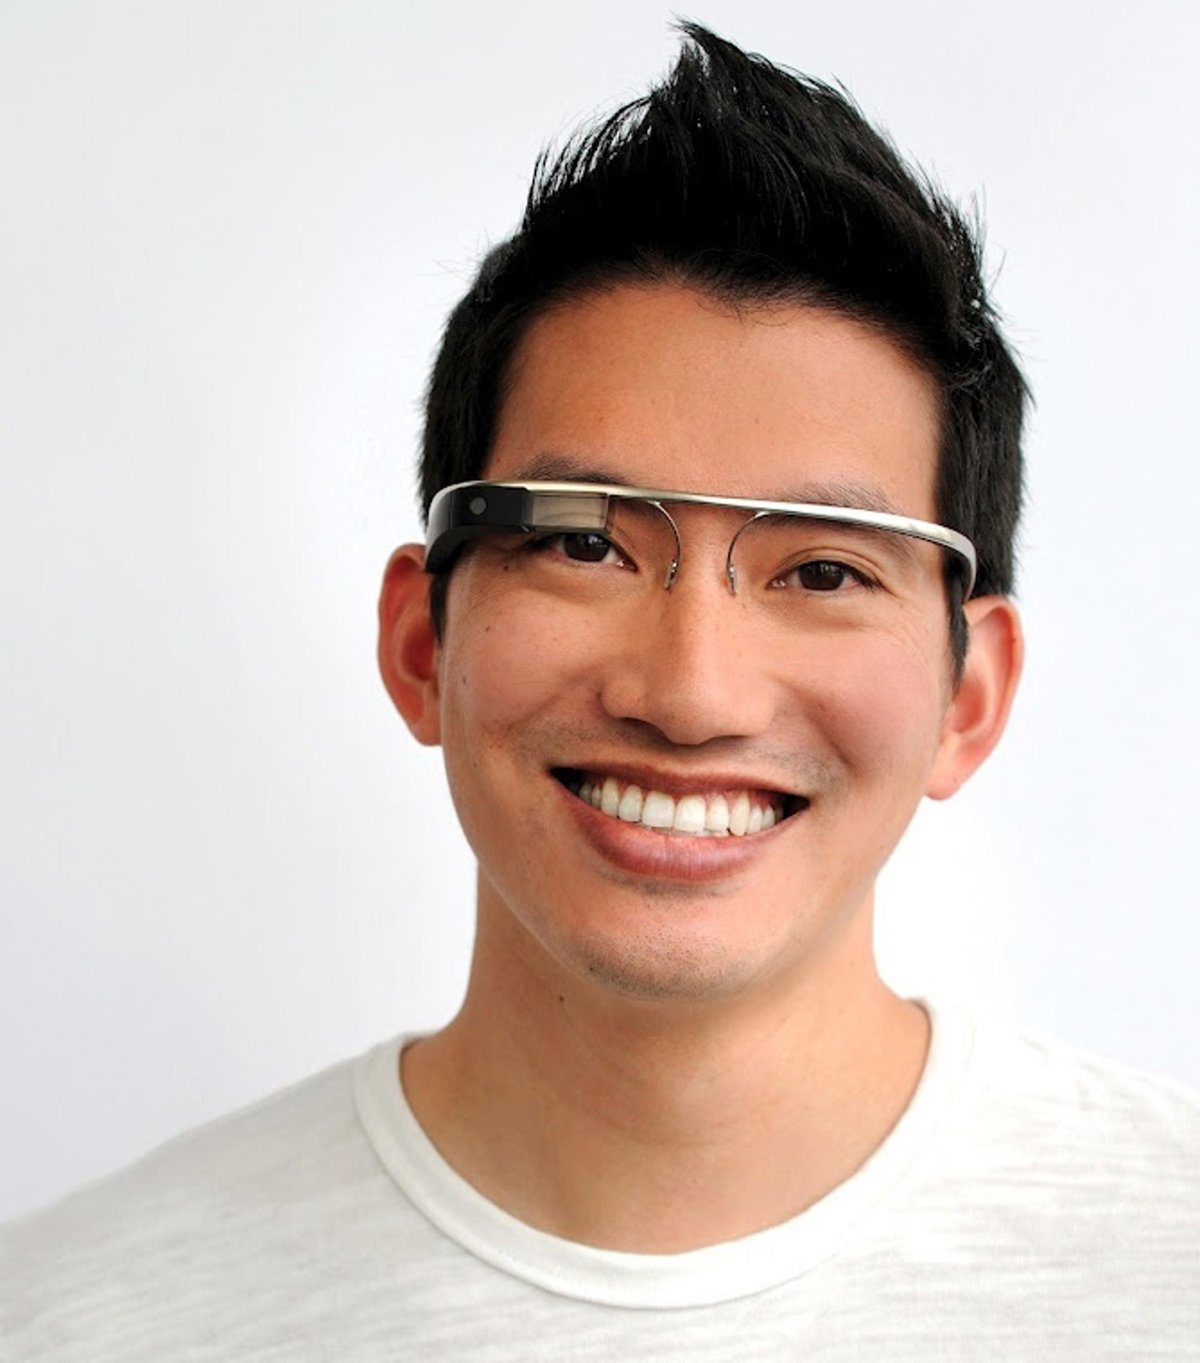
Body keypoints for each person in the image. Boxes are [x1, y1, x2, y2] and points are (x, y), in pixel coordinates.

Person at [3, 23, 1196, 1361]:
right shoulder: (69, 1322)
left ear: (967, 697)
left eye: (823, 570)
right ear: (421, 644)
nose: (691, 693)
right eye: (584, 545)